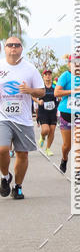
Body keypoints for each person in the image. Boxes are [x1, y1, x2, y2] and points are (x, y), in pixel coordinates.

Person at [0, 37, 44, 199]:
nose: (13, 48)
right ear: (5, 49)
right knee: (2, 149)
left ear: (21, 49)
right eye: (9, 45)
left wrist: (30, 90)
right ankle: (5, 177)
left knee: (22, 154)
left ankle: (17, 187)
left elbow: (42, 92)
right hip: (2, 118)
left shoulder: (30, 69)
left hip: (23, 119)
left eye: (17, 45)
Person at [54, 56, 80, 176]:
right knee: (66, 146)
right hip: (66, 113)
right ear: (69, 64)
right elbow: (56, 92)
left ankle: (79, 170)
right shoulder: (65, 76)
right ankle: (64, 159)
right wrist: (73, 91)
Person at [34, 68, 58, 156]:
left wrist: (59, 98)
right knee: (46, 130)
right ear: (43, 77)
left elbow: (59, 94)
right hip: (43, 112)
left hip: (53, 111)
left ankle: (48, 149)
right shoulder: (40, 86)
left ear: (51, 76)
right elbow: (32, 95)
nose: (48, 76)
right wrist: (38, 101)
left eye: (49, 74)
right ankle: (42, 136)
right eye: (46, 75)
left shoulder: (55, 86)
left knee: (52, 131)